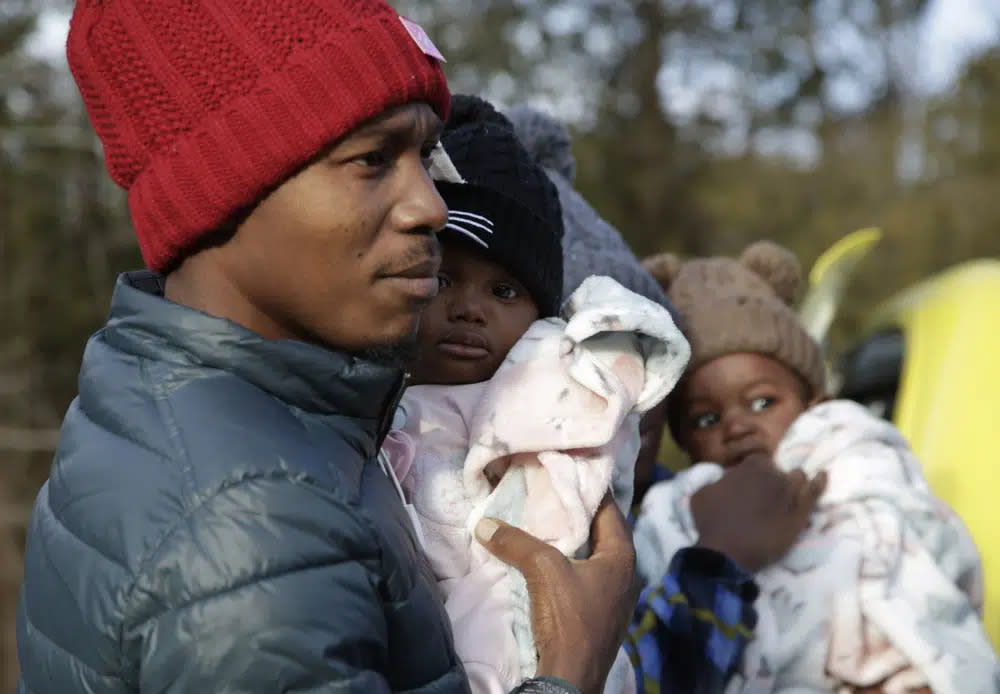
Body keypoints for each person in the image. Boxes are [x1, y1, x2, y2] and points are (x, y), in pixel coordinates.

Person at [15, 4, 638, 694]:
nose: (432, 206)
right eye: (373, 158)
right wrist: (569, 669)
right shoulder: (252, 527)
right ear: (222, 189)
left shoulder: (151, 390)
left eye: (425, 156)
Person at [507, 105, 830, 694]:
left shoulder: (663, 501)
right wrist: (717, 560)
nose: (633, 394)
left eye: (652, 351)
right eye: (595, 358)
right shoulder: (491, 525)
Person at [381, 95, 690, 694]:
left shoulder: (551, 411)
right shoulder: (359, 411)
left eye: (504, 290)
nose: (469, 308)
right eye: (445, 279)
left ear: (544, 317)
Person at [635, 242, 999, 694]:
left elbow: (916, 535)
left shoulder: (854, 453)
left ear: (815, 403)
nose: (737, 426)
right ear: (686, 444)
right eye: (707, 419)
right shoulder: (681, 507)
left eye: (762, 402)